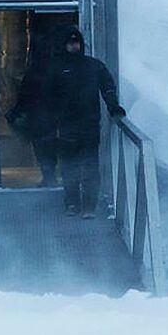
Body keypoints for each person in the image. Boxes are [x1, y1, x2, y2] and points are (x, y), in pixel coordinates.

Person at [48, 26, 126, 219]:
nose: (73, 46)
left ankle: (90, 205)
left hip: (89, 126)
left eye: (76, 42)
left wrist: (113, 106)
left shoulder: (94, 66)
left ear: (81, 45)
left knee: (90, 165)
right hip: (66, 127)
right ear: (64, 45)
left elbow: (107, 87)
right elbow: (47, 96)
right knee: (69, 166)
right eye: (70, 43)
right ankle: (72, 202)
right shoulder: (57, 68)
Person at [6, 34, 59, 188]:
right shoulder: (54, 69)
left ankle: (48, 176)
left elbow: (24, 95)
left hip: (39, 114)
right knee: (47, 147)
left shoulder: (34, 71)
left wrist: (16, 112)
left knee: (42, 148)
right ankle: (50, 176)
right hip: (47, 114)